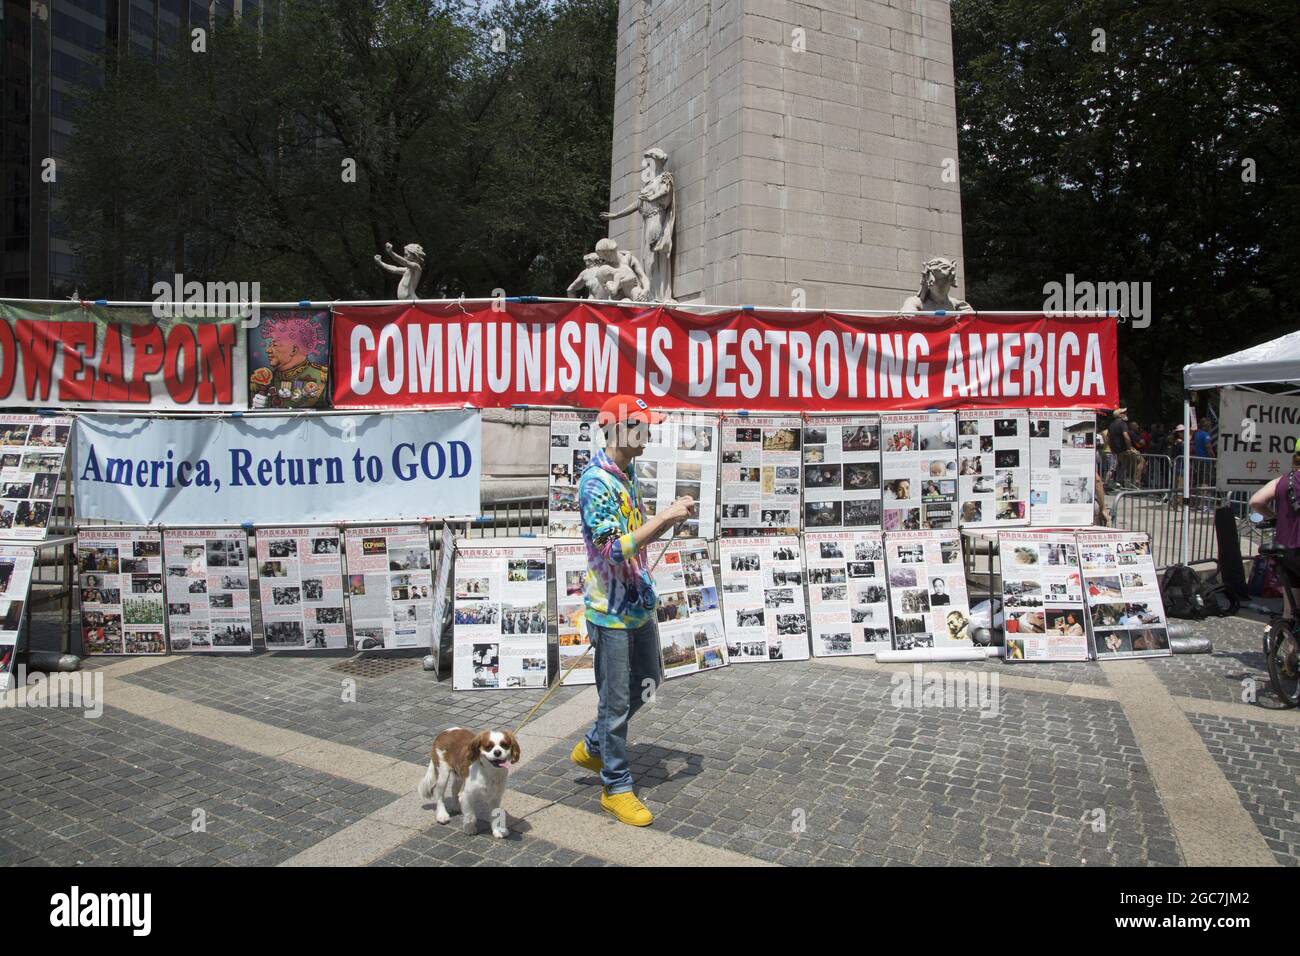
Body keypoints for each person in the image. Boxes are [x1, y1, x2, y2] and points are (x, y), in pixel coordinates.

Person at [569, 394, 695, 827]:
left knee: (649, 679)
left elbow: (633, 534)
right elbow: (613, 549)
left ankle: (596, 744)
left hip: (637, 600)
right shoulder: (594, 483)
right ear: (620, 430)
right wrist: (664, 519)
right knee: (617, 701)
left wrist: (666, 521)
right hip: (609, 611)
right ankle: (615, 787)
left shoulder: (627, 472)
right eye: (642, 425)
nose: (650, 432)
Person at [1249, 439, 1300, 618]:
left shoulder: (1284, 480)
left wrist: (1273, 517)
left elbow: (1255, 501)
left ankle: (1290, 642)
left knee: (1290, 610)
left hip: (1286, 552)